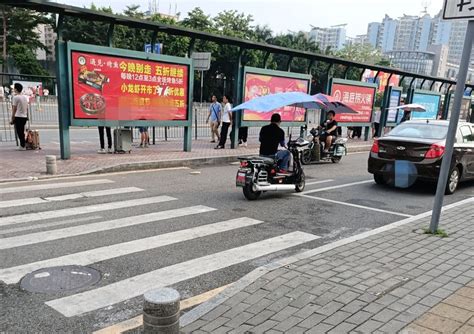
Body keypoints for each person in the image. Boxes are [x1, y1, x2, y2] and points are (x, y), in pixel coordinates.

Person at [10, 83, 28, 151]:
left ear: (16, 89)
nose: (13, 89)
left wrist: (12, 118)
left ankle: (22, 146)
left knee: (19, 132)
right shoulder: (24, 97)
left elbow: (14, 109)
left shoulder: (16, 97)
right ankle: (23, 145)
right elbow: (26, 107)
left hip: (18, 116)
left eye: (14, 88)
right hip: (24, 116)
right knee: (22, 131)